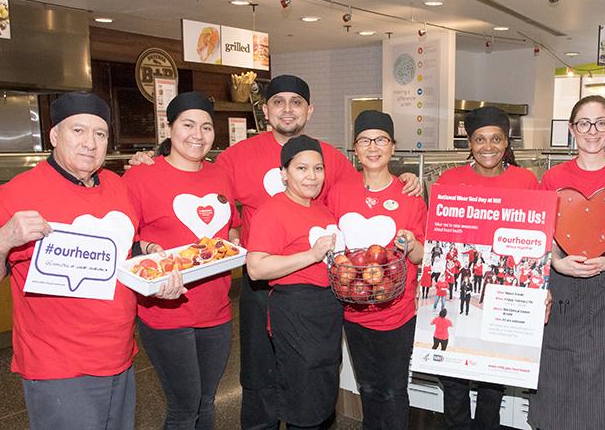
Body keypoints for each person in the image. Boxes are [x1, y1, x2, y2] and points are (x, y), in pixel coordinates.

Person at [126, 75, 421, 430]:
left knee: (312, 377)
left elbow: (368, 178)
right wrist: (150, 157)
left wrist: (406, 178)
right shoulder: (235, 157)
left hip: (314, 291)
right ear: (265, 110)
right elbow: (192, 171)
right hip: (260, 283)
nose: (287, 109)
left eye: (296, 102)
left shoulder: (328, 155)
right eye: (278, 101)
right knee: (259, 374)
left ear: (309, 110)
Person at [0, 92, 181, 429]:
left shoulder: (116, 185)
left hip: (119, 354)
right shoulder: (16, 194)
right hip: (58, 366)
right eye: (77, 131)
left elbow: (126, 249)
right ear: (54, 136)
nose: (90, 143)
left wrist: (152, 258)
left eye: (100, 134)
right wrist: (1, 242)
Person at [528, 95, 605, 430]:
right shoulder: (553, 178)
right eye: (584, 123)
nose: (592, 131)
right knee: (557, 371)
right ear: (572, 129)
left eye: (600, 123)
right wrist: (558, 263)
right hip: (563, 285)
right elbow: (543, 234)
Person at [122, 92, 242, 430]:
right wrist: (144, 247)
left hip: (216, 308)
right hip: (165, 311)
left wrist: (233, 239)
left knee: (207, 401)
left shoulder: (219, 175)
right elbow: (120, 239)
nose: (198, 135)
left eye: (206, 127)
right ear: (170, 127)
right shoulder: (140, 176)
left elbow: (230, 223)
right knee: (184, 407)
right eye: (188, 124)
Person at [433, 105, 539, 430]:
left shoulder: (526, 181)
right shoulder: (450, 180)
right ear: (470, 143)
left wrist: (538, 289)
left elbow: (538, 239)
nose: (488, 147)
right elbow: (438, 234)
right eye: (480, 139)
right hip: (457, 291)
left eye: (496, 139)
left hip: (505, 296)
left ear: (507, 143)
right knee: (453, 379)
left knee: (494, 382)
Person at [327, 110, 427, 430]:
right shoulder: (339, 191)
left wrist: (411, 243)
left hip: (397, 313)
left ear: (393, 147)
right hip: (353, 311)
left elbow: (423, 255)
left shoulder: (410, 195)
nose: (373, 147)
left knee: (394, 390)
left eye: (381, 139)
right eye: (365, 140)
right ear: (355, 149)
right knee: (367, 388)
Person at [245, 135, 344, 430]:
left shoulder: (322, 210)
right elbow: (256, 268)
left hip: (327, 310)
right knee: (302, 397)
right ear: (284, 174)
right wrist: (312, 255)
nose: (311, 176)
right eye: (301, 168)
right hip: (295, 312)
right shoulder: (272, 210)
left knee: (323, 389)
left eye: (318, 168)